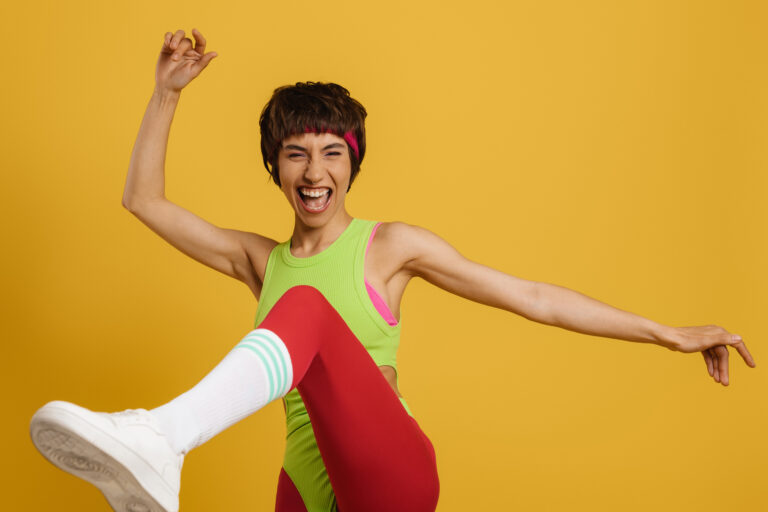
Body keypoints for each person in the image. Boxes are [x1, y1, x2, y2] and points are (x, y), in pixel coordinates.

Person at [29, 28, 756, 512]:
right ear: (274, 166)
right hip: (307, 487)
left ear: (353, 163)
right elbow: (142, 199)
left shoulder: (390, 249)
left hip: (392, 479)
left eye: (332, 153)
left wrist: (668, 333)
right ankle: (156, 453)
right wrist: (166, 94)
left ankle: (163, 437)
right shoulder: (259, 261)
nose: (315, 172)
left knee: (311, 308)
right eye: (296, 154)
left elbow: (533, 297)